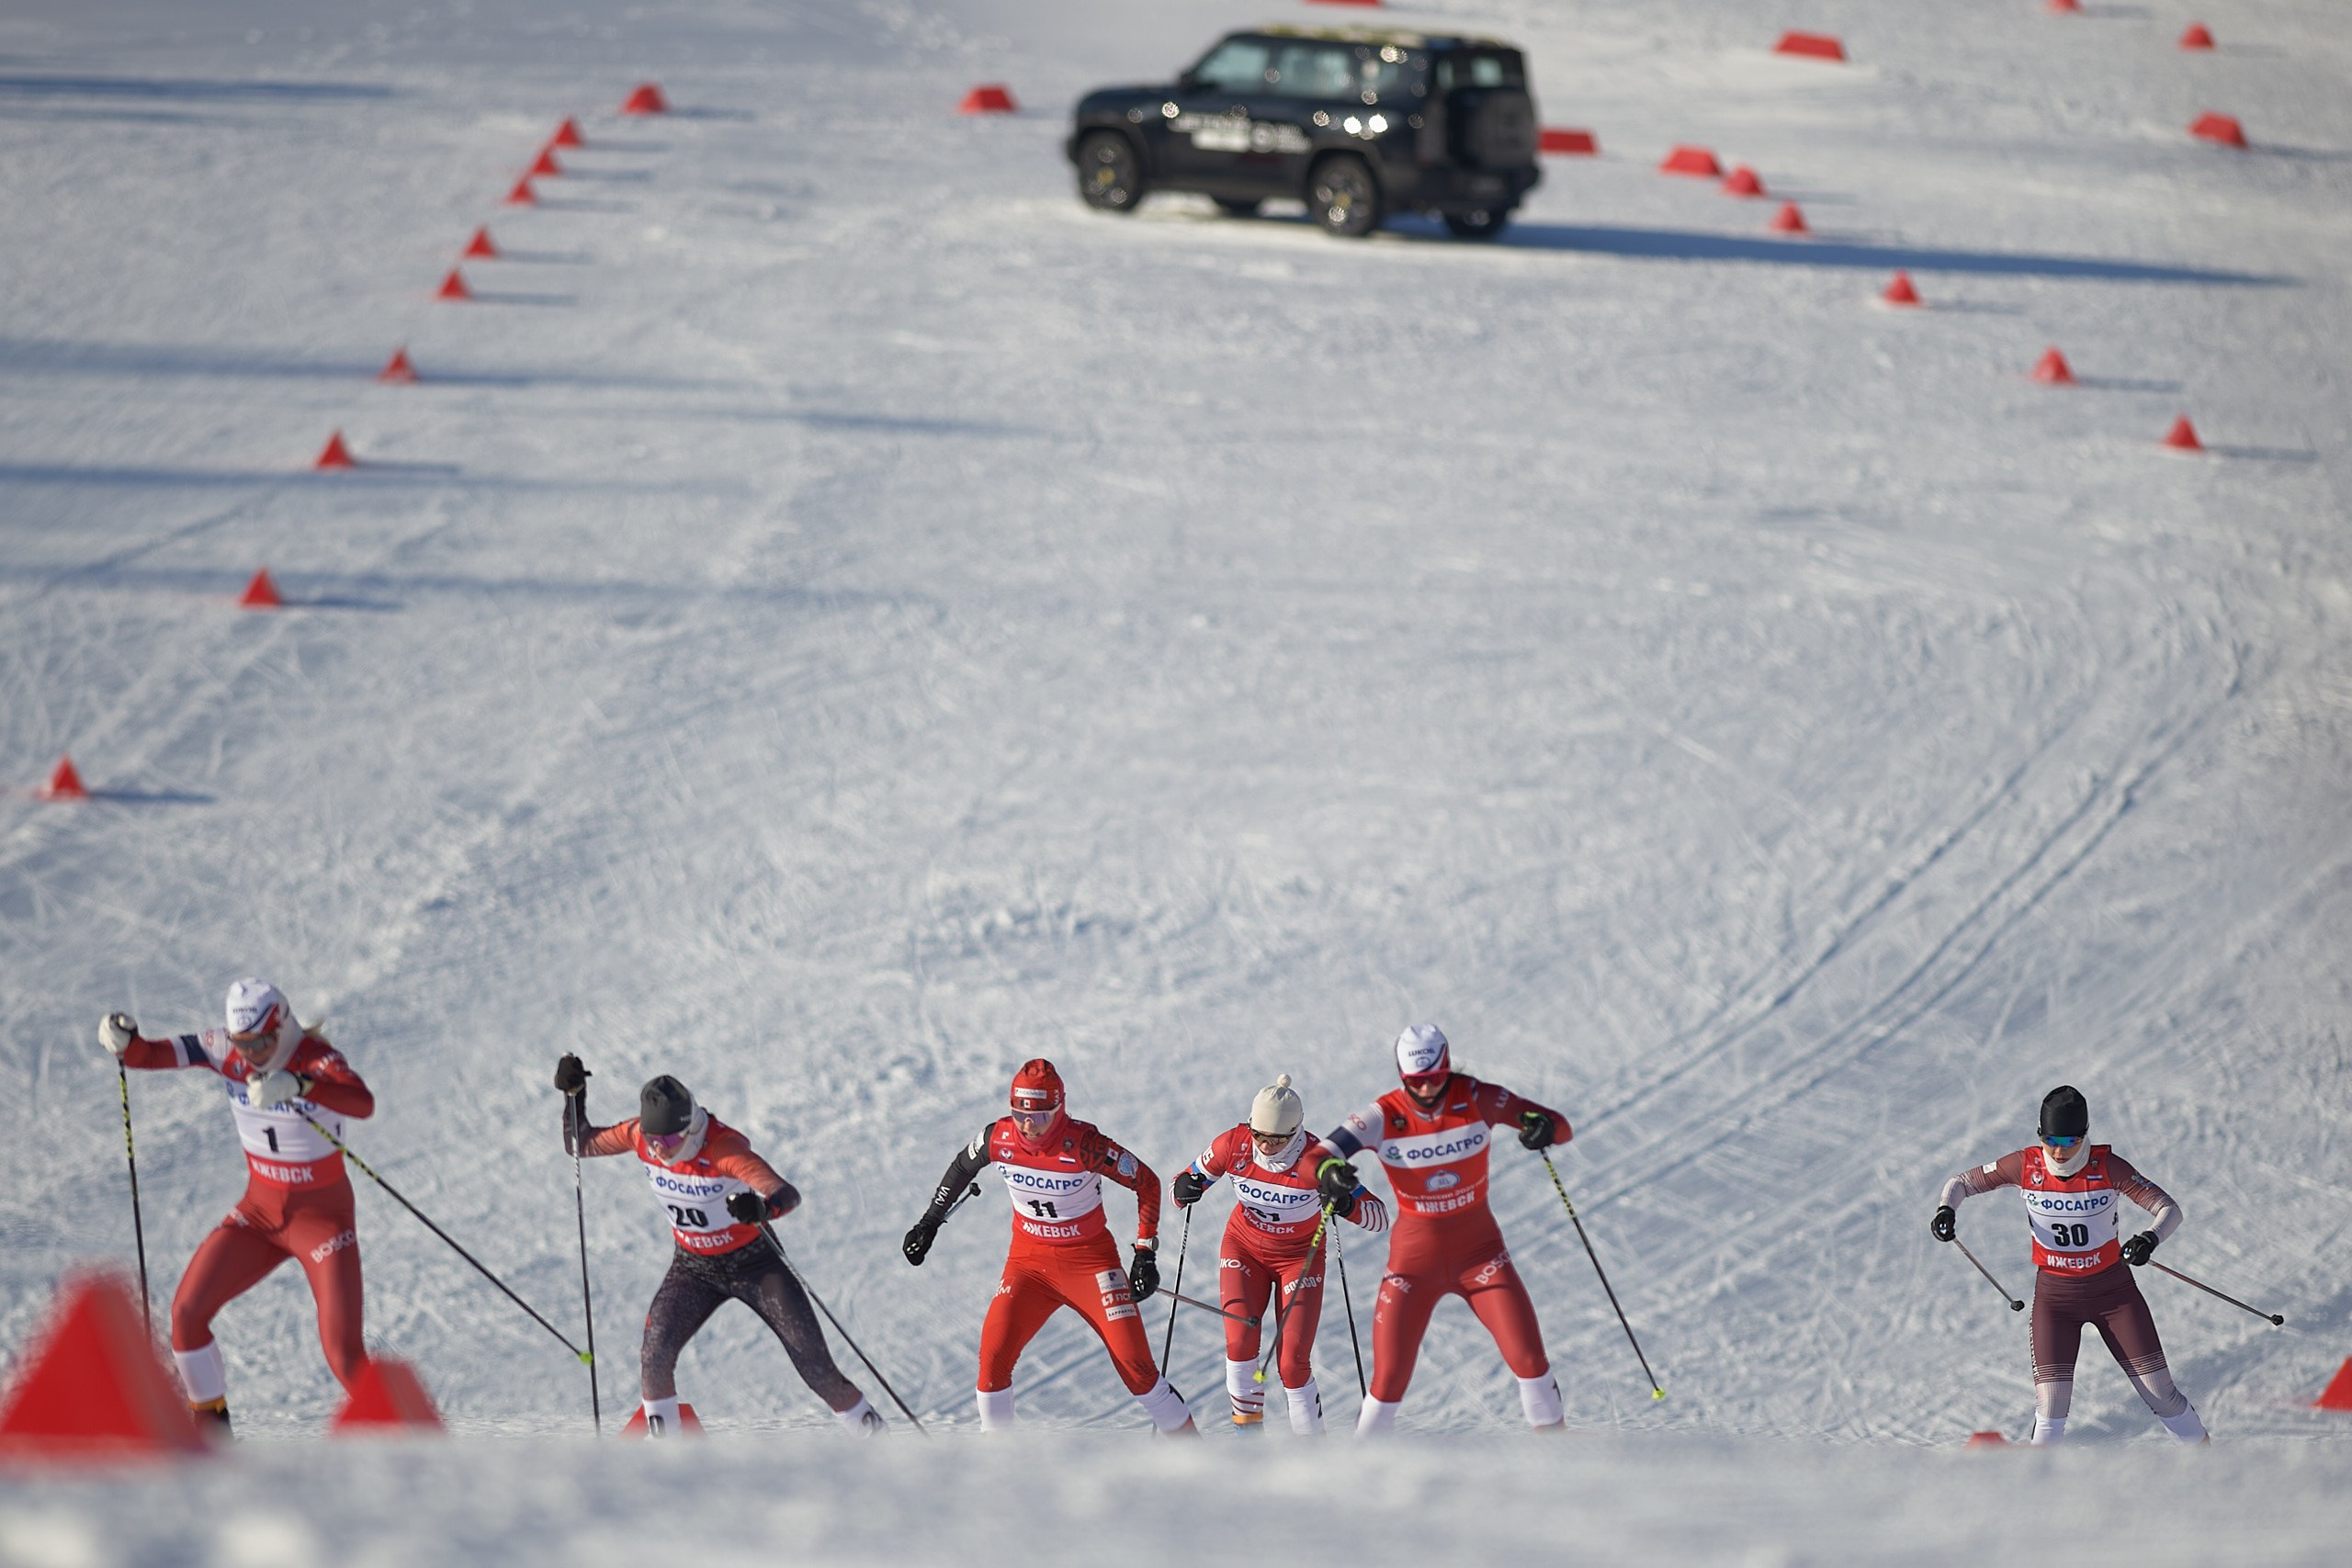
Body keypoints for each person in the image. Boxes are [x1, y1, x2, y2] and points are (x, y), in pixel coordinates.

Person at [99, 979, 374, 1431]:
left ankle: (412, 1440)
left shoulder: (316, 1059)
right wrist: (124, 1042)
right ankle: (210, 1437)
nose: (252, 1054)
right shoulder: (220, 1047)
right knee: (186, 1315)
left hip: (322, 1223)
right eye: (243, 1044)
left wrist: (299, 1085)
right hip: (259, 1216)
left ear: (282, 1025)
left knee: (343, 1354)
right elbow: (146, 1055)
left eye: (264, 1042)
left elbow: (362, 1103)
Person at [556, 1058, 884, 1436]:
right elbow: (579, 1145)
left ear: (690, 1127)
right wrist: (574, 1097)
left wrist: (762, 1208)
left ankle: (876, 1438)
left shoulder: (724, 1149)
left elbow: (785, 1193)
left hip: (757, 1267)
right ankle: (670, 1453)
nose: (660, 1150)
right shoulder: (638, 1136)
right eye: (653, 1140)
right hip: (694, 1268)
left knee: (817, 1370)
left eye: (669, 1141)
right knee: (654, 1356)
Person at [902, 1058, 1194, 1433]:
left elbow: (1147, 1183)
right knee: (992, 1359)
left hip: (1091, 1265)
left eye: (1040, 1117)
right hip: (1028, 1266)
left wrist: (1144, 1253)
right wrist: (929, 1223)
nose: (1029, 1126)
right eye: (1020, 1114)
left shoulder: (1085, 1145)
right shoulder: (999, 1137)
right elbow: (961, 1169)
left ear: (1060, 1110)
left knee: (1137, 1370)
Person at [1313, 1024, 1573, 1434]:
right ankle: (1357, 1472)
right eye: (1416, 1082)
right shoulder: (1384, 1114)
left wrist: (1543, 1128)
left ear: (1447, 1067)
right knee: (1389, 1380)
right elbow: (1317, 1156)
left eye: (1435, 1079)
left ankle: (1557, 1453)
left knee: (1528, 1358)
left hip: (1481, 1257)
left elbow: (1559, 1124)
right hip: (1414, 1266)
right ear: (1402, 1076)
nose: (1428, 1091)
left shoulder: (1476, 1097)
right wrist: (1329, 1171)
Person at [1932, 1084, 2207, 1446]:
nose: (2059, 1151)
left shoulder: (2108, 1167)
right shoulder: (2025, 1164)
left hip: (2114, 1295)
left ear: (2085, 1136)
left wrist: (2149, 1239)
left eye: (2069, 1140)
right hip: (2056, 1299)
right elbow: (1962, 1182)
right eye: (2050, 1140)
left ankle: (2210, 1466)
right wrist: (1945, 1210)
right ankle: (2039, 1494)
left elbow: (2169, 1209)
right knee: (2051, 1407)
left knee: (2161, 1394)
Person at [1171, 1073, 1388, 1433]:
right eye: (1259, 1135)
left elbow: (1379, 1218)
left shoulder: (1319, 1160)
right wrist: (1185, 1188)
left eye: (1276, 1139)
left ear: (1295, 1133)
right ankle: (1249, 1443)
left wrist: (1346, 1202)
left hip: (1298, 1260)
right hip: (1243, 1250)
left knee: (1292, 1363)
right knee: (1240, 1347)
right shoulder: (1234, 1144)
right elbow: (1182, 1187)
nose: (1266, 1145)